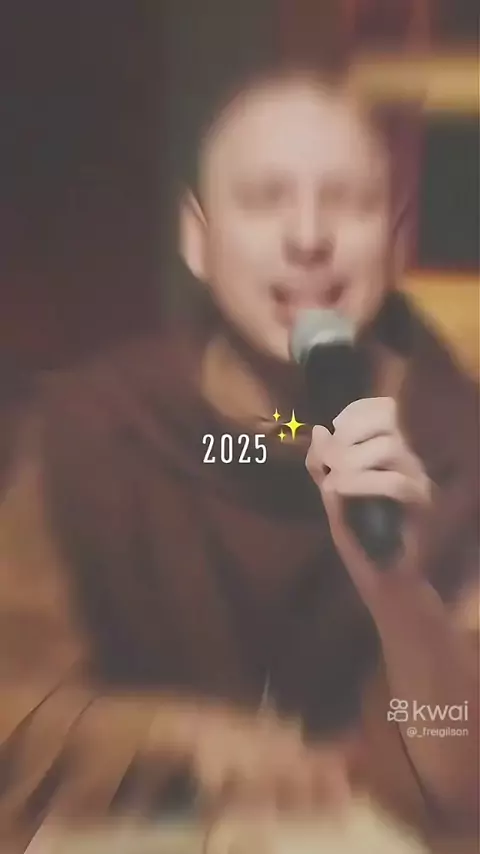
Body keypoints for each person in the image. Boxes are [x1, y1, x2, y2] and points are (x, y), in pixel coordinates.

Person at [0, 64, 478, 849]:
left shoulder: (457, 444)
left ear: (394, 245)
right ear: (198, 239)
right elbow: (15, 706)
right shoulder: (92, 426)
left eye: (347, 203)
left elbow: (460, 773)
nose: (308, 237)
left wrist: (400, 594)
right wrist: (185, 739)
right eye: (264, 200)